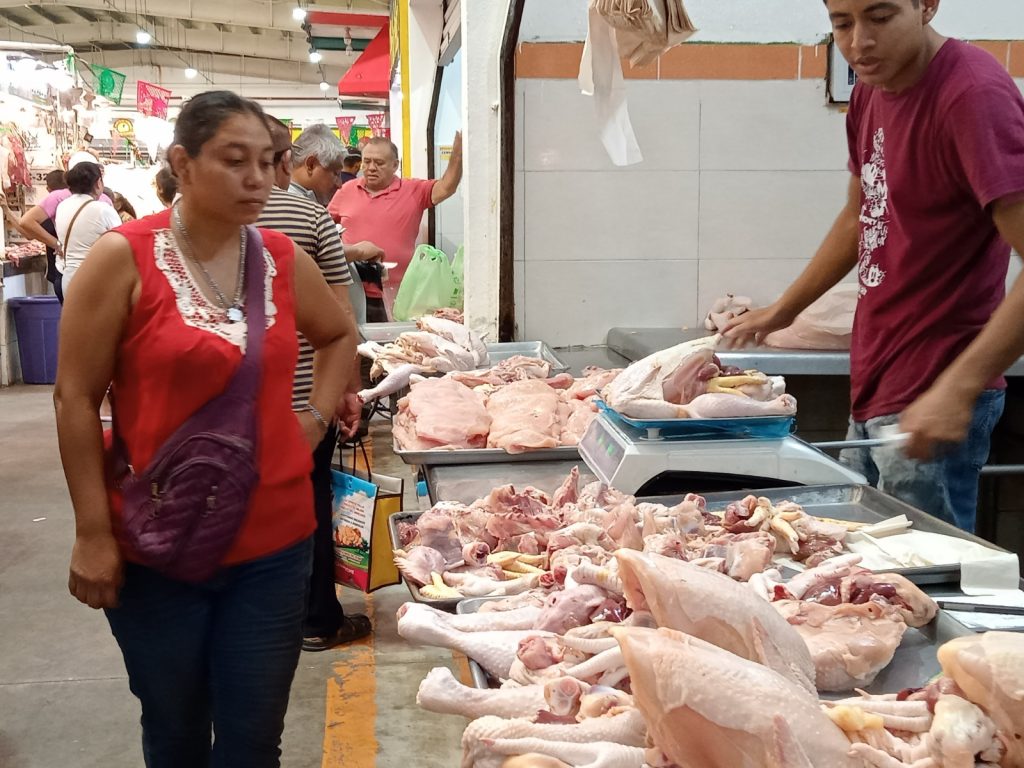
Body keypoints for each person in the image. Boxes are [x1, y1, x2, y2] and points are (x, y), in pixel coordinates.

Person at [53, 90, 356, 766]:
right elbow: (75, 396)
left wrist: (311, 418)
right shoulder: (123, 257)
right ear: (183, 163)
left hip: (274, 545)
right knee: (177, 731)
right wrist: (92, 531)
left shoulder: (280, 257)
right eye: (234, 160)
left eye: (269, 162)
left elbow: (338, 334)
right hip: (157, 544)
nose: (258, 179)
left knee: (253, 740)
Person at [725, 0, 1024, 533]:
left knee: (926, 585)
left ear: (926, 5)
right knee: (864, 575)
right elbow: (861, 210)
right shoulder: (871, 89)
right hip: (878, 381)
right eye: (842, 23)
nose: (859, 42)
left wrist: (957, 388)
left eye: (880, 17)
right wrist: (781, 312)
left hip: (936, 387)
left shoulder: (972, 94)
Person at [257, 115, 377, 651]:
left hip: (238, 397)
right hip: (307, 392)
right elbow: (338, 316)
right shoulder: (312, 217)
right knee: (310, 497)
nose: (338, 184)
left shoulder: (199, 223)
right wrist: (349, 391)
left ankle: (262, 619)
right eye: (333, 174)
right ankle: (315, 620)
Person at [328, 132, 463, 321]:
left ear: (395, 165)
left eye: (379, 163)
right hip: (353, 291)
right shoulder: (347, 190)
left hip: (401, 293)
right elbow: (324, 229)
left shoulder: (412, 190)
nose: (371, 168)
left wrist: (458, 153)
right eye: (366, 162)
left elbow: (446, 187)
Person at [290, 125, 385, 325]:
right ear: (311, 164)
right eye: (334, 173)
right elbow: (307, 257)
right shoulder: (296, 207)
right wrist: (357, 252)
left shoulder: (307, 201)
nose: (339, 184)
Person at [19, 160, 114, 301]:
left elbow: (26, 222)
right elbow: (121, 239)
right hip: (98, 275)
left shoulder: (61, 203)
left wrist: (58, 245)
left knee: (73, 319)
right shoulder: (104, 203)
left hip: (66, 272)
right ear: (98, 182)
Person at [54, 161, 123, 300]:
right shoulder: (103, 209)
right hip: (95, 281)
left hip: (68, 279)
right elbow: (122, 245)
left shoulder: (62, 206)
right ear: (98, 183)